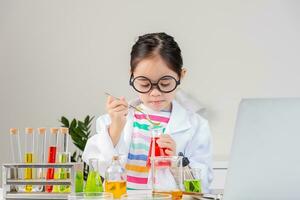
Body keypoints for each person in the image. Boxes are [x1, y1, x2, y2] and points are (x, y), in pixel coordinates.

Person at [82, 32, 213, 192]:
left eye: (165, 83)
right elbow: (98, 166)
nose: (155, 93)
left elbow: (201, 187)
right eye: (144, 84)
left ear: (181, 75)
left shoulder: (196, 126)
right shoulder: (113, 121)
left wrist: (176, 161)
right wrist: (115, 129)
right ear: (132, 76)